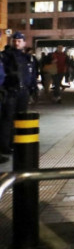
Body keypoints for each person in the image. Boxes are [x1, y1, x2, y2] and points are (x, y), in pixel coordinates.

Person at [0, 32, 36, 163]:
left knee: (20, 119)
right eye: (15, 40)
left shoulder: (28, 58)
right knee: (7, 119)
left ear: (24, 43)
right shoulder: (6, 56)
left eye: (19, 41)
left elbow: (32, 75)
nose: (17, 43)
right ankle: (5, 146)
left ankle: (16, 142)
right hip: (10, 92)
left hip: (23, 92)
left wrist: (33, 90)